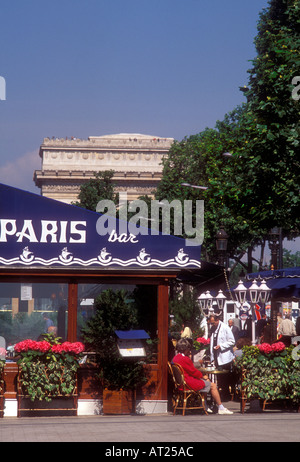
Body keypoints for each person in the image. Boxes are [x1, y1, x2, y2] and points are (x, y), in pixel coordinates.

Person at [173, 338, 233, 415]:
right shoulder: (185, 359)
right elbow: (193, 371)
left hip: (182, 383)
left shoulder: (176, 358)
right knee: (213, 385)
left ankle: (204, 404)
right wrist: (203, 376)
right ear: (186, 349)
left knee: (206, 382)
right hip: (188, 383)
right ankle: (220, 407)